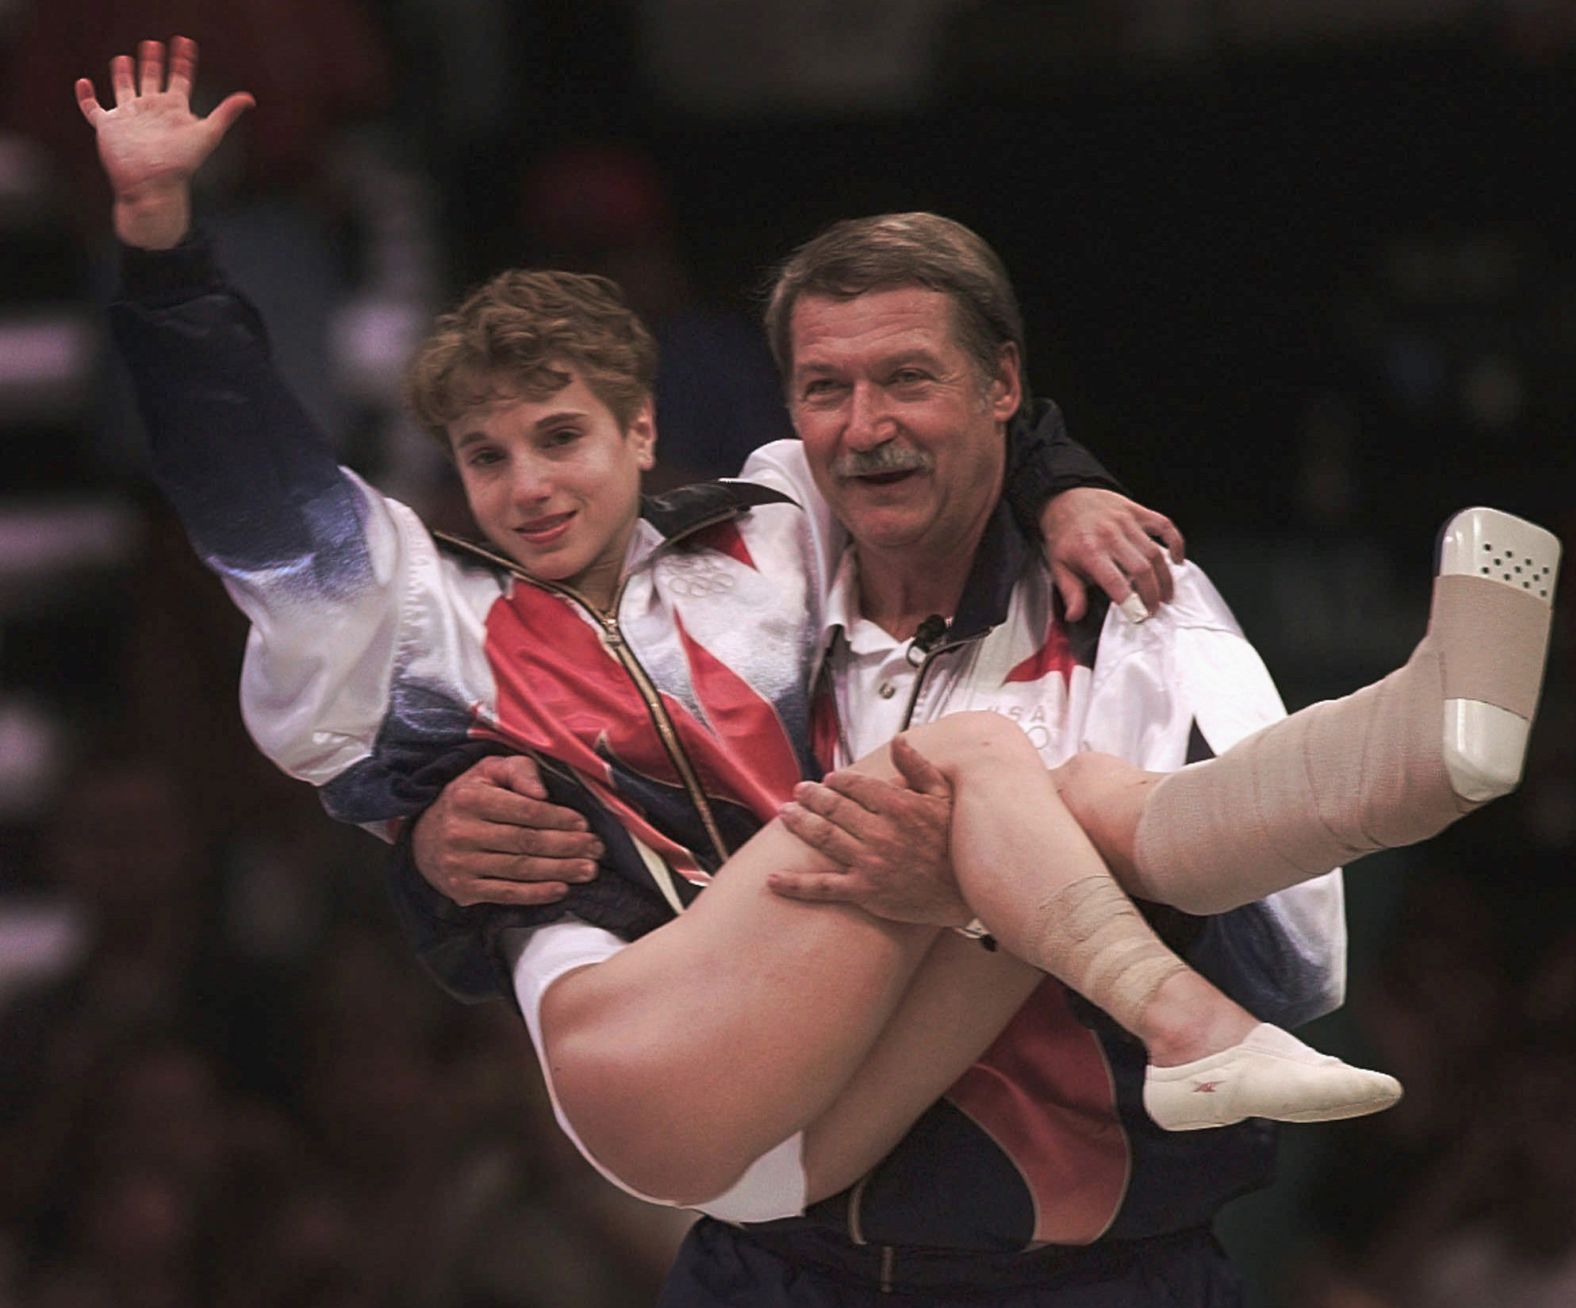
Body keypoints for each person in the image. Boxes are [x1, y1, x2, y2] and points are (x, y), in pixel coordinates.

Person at [84, 38, 1560, 1307]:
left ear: (649, 434)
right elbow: (258, 503)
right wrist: (163, 252)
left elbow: (1298, 955)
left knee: (1028, 798)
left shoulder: (824, 558)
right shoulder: (463, 612)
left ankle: (1407, 763)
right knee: (984, 780)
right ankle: (1363, 805)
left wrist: (1058, 482)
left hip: (1034, 1225)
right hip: (714, 1136)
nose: (531, 488)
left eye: (564, 440)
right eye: (489, 457)